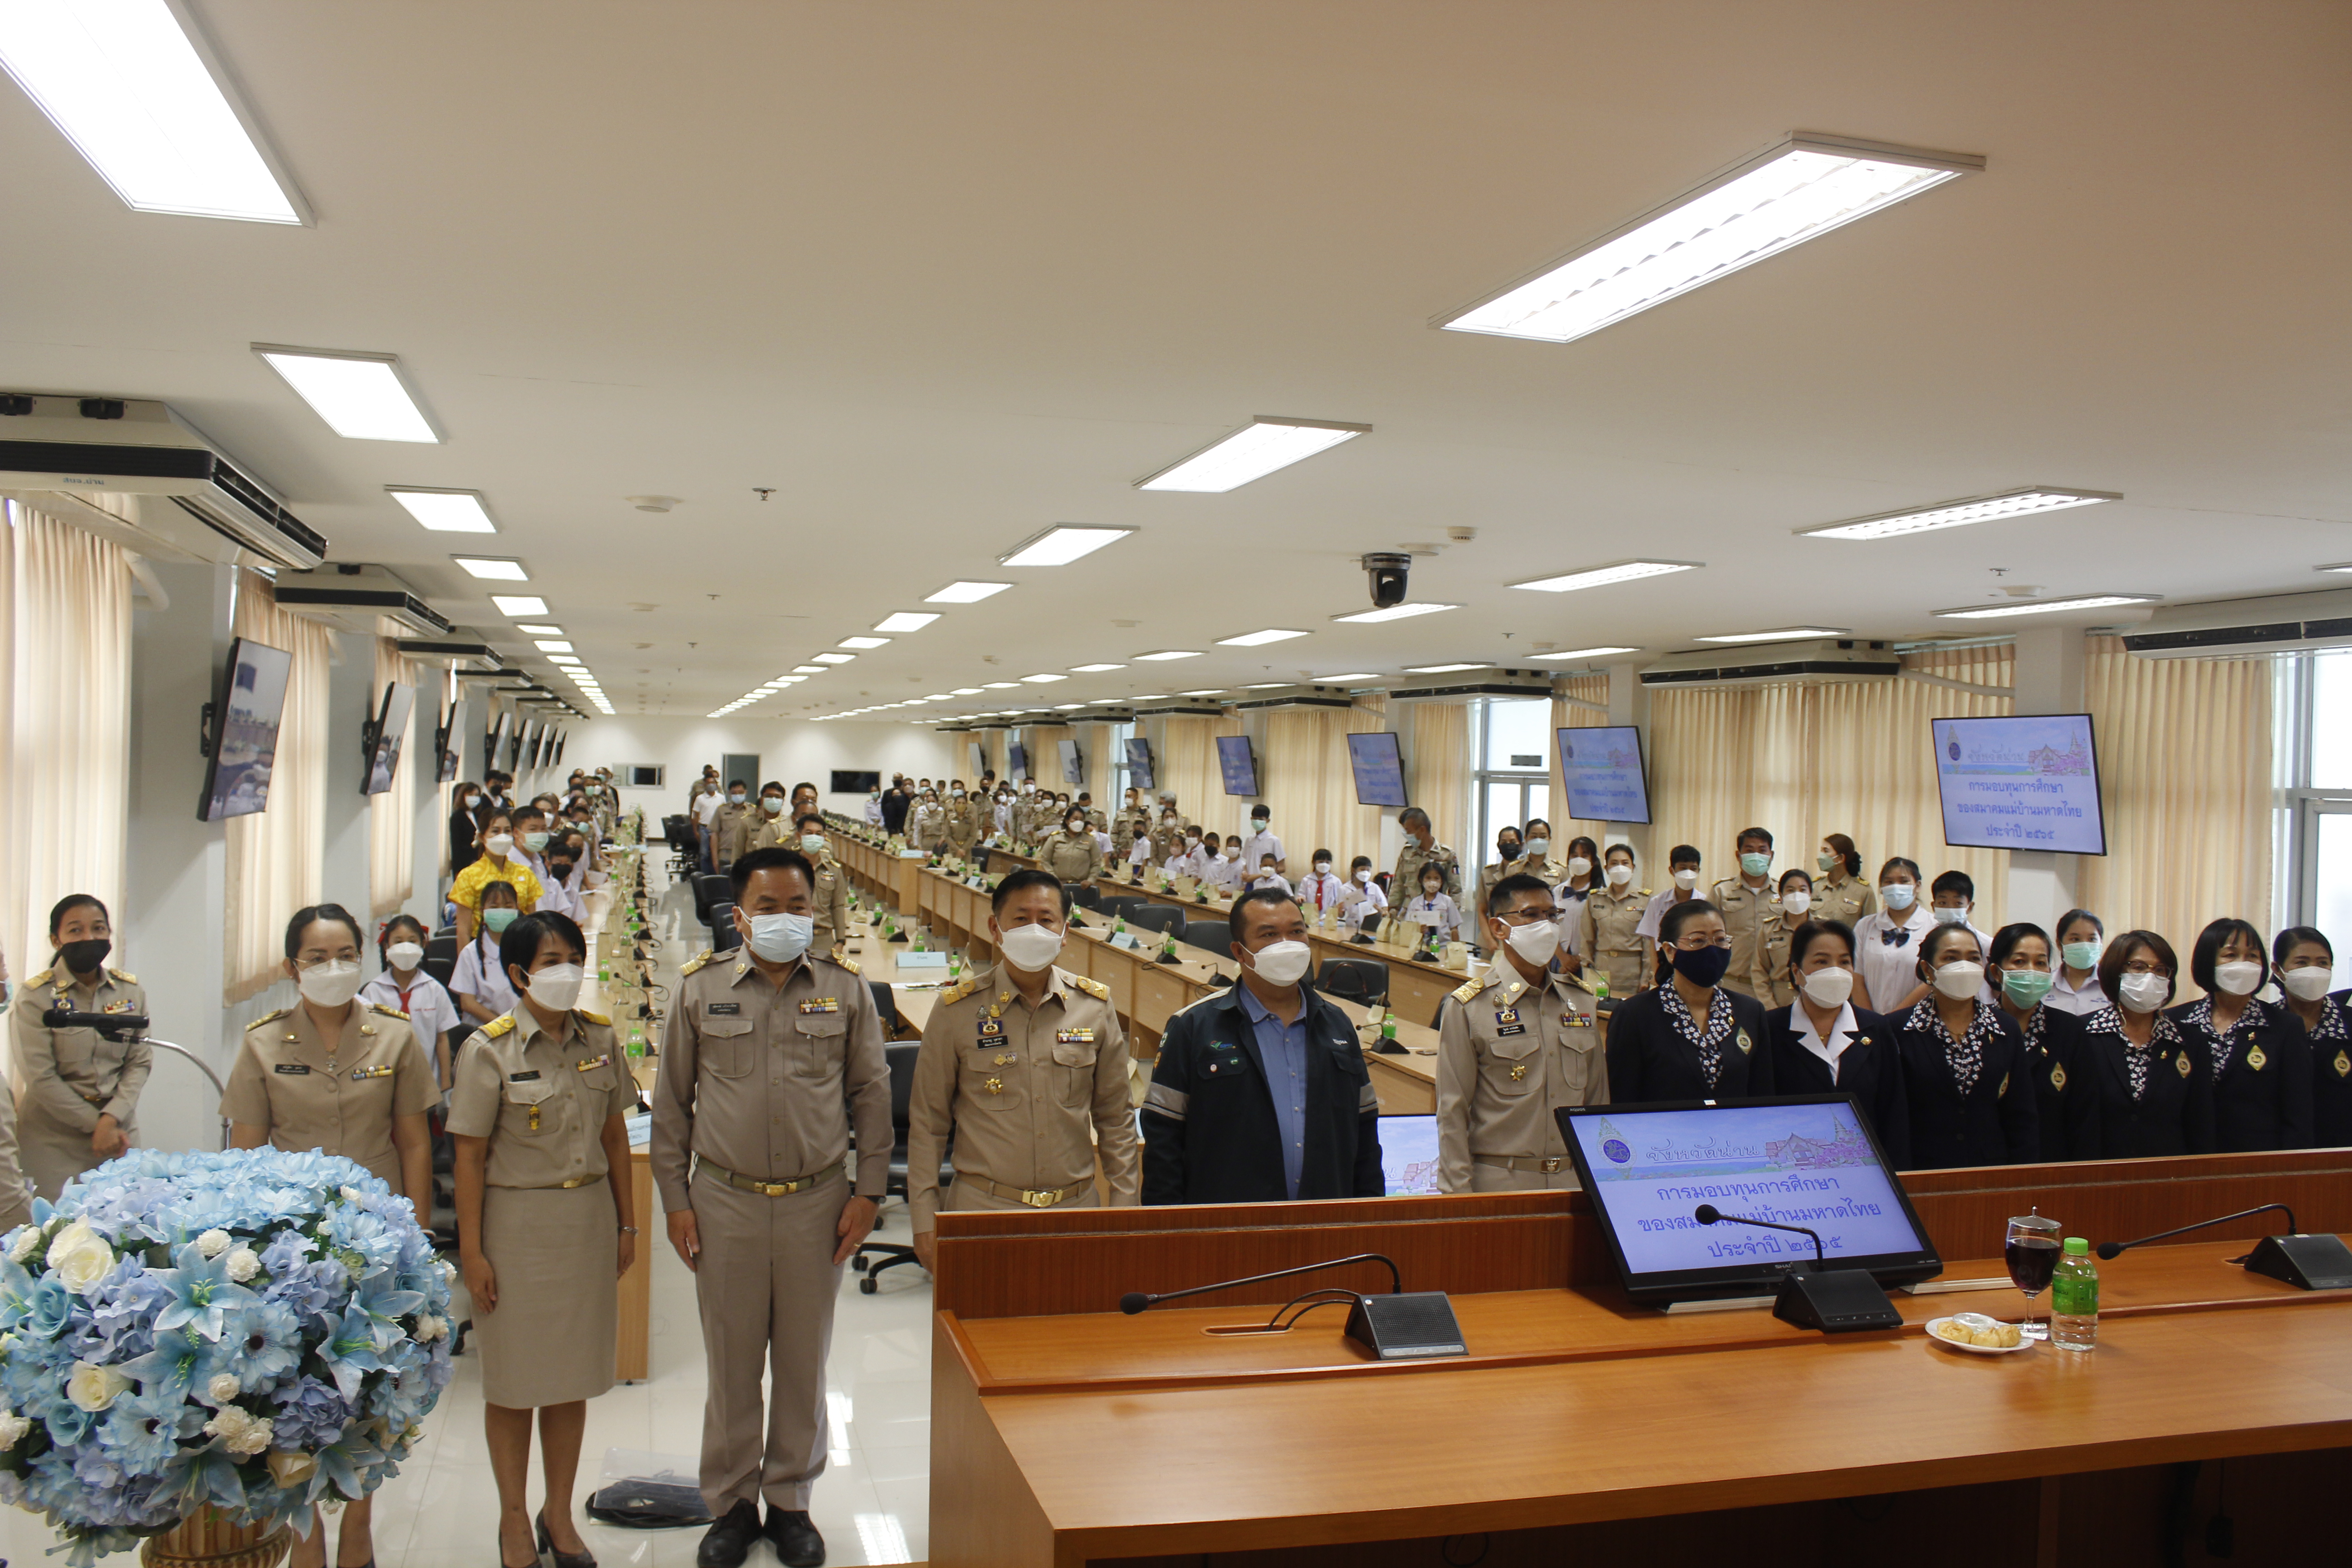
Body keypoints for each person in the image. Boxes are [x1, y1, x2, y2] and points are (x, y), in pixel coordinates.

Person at [651, 848, 890, 1568]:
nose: (786, 919)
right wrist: (676, 1201)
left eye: (798, 907)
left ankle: (789, 1501)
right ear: (740, 915)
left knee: (803, 1363)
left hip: (819, 1203)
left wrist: (869, 1192)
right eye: (769, 907)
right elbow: (672, 1103)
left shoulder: (846, 990)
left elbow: (871, 1094)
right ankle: (731, 1504)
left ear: (814, 911)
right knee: (731, 1364)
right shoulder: (700, 989)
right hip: (726, 1201)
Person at [225, 905, 436, 1568]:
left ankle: (360, 1530)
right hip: (295, 1249)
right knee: (294, 1393)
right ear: (293, 968)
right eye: (317, 958)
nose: (333, 967)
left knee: (374, 1389)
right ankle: (307, 1535)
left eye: (346, 954)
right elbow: (245, 1158)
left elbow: (414, 1143)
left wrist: (419, 1236)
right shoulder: (263, 1044)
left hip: (379, 1242)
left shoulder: (394, 1036)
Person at [449, 909, 637, 1568]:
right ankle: (512, 1520)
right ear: (518, 973)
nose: (566, 972)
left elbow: (616, 1136)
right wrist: (472, 1254)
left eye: (573, 960)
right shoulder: (489, 1050)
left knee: (569, 1381)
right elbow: (468, 1158)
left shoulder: (600, 1039)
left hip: (585, 1223)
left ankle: (558, 1514)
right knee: (512, 1386)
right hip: (516, 1231)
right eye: (551, 962)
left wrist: (627, 1223)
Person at [907, 870, 1137, 1269]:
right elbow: (929, 1123)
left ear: (1065, 932)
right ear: (995, 928)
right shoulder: (956, 1011)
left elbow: (1116, 1119)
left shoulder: (1095, 1007)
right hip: (983, 1212)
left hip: (1076, 1213)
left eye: (1046, 919)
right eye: (1020, 918)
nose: (1035, 929)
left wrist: (1125, 1206)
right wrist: (924, 1220)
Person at [1142, 888, 1383, 1204]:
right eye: (1269, 935)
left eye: (1296, 932)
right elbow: (1163, 1141)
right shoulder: (1193, 1026)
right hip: (1228, 1223)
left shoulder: (1337, 1025)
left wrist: (1371, 1215)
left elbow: (1365, 1134)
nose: (1287, 944)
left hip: (1324, 1221)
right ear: (1240, 952)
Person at [1435, 874, 1608, 1191]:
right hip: (1500, 1181)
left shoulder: (1581, 1001)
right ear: (1499, 928)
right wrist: (1457, 1196)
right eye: (1531, 915)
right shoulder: (1470, 1007)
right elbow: (1452, 1113)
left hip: (1574, 1182)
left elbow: (1597, 1104)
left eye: (1551, 915)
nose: (1546, 925)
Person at [10, 895, 149, 1200]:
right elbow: (41, 1077)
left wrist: (111, 1120)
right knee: (53, 1227)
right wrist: (97, 1125)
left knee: (129, 1223)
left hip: (119, 1133)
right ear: (56, 940)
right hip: (54, 1139)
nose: (89, 938)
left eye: (98, 928)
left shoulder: (129, 990)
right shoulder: (36, 997)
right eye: (76, 930)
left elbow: (139, 1062)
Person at [1889, 924, 2038, 1169]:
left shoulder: (2005, 1027)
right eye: (1951, 958)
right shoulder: (1897, 1029)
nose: (1964, 966)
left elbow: (2021, 1113)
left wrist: (2022, 1175)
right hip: (1922, 1168)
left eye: (1973, 958)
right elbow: (1891, 1114)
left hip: (1991, 1169)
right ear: (1928, 969)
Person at [1763, 919, 1907, 1165]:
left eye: (1844, 962)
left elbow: (1893, 1112)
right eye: (1822, 962)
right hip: (1797, 1168)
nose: (1836, 971)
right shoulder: (1770, 1029)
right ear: (1797, 972)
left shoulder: (1876, 1029)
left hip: (1866, 1168)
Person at [1605, 900, 1770, 1101]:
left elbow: (1762, 1095)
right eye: (1698, 941)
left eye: (1720, 939)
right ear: (1670, 951)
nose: (1712, 949)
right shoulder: (1634, 1015)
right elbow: (1622, 1098)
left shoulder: (1750, 1011)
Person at [2169, 919, 2310, 1152]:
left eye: (2252, 956)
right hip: (2189, 1157)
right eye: (2231, 955)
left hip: (2259, 1160)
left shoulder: (2285, 1027)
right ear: (2208, 960)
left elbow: (2298, 1113)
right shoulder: (2176, 1022)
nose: (2243, 964)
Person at [2076, 931, 2215, 1158]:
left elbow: (2201, 1122)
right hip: (2098, 1169)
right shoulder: (2083, 1033)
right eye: (2138, 967)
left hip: (2168, 1170)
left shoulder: (2190, 1041)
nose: (2150, 977)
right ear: (2115, 971)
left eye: (2160, 970)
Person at [1985, 922, 2099, 1161]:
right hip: (1991, 1166)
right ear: (1997, 972)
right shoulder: (1980, 1027)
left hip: (2053, 1166)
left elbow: (2084, 1116)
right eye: (2019, 962)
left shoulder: (2070, 1030)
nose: (2031, 971)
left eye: (2040, 963)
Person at [363, 913, 463, 1093]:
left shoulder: (434, 989)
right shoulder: (373, 991)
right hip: (385, 1083)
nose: (406, 948)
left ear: (423, 945)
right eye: (398, 942)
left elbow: (442, 1039)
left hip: (428, 1082)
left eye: (412, 941)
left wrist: (446, 1083)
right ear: (386, 946)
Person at [2271, 927, 2350, 1147]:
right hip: (2278, 1151)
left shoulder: (2348, 1023)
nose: (2313, 971)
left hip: (2341, 1153)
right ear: (2278, 970)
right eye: (2302, 963)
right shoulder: (2265, 1025)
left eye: (2322, 963)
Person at [1851, 857, 1935, 1015]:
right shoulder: (1865, 926)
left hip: (1916, 1019)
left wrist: (1895, 1018)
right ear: (1882, 888)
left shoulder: (1934, 927)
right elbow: (1857, 976)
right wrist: (1870, 1019)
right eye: (1889, 882)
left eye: (1904, 881)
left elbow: (1931, 980)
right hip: (1871, 1020)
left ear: (1918, 886)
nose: (1896, 887)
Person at [451, 809, 545, 944]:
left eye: (507, 831)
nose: (503, 836)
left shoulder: (525, 873)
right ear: (482, 837)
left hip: (517, 945)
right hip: (480, 945)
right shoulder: (468, 876)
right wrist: (466, 957)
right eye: (496, 831)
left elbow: (531, 922)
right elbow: (463, 930)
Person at [1708, 827, 1781, 1001]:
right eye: (1749, 850)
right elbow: (1708, 937)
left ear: (1771, 855)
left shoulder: (1784, 892)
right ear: (1738, 855)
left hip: (1774, 988)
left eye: (1762, 850)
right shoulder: (1721, 891)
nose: (1756, 856)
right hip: (1733, 984)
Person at [1579, 843, 1652, 999]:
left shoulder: (1645, 899)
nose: (1620, 868)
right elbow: (1587, 939)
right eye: (1614, 863)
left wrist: (1646, 976)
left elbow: (1648, 944)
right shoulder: (1595, 898)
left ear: (1633, 868)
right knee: (1600, 1010)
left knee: (1628, 1011)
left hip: (1631, 972)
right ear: (1607, 868)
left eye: (1625, 863)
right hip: (1601, 969)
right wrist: (1586, 970)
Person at [452, 881, 525, 1026]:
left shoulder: (528, 947)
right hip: (484, 1030)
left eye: (508, 907)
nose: (501, 911)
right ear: (482, 911)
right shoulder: (470, 953)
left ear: (517, 909)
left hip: (524, 1028)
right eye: (494, 907)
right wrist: (504, 1026)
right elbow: (468, 1003)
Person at [1387, 807, 1460, 940]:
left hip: (1436, 915)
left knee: (1435, 948)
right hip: (1410, 914)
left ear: (1422, 830)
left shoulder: (1446, 855)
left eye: (1408, 831)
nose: (1406, 835)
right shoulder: (1407, 853)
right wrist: (1392, 909)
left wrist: (1451, 917)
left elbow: (1456, 890)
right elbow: (1398, 883)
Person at [1754, 868, 1813, 1008]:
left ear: (1811, 894)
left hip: (1813, 998)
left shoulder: (1822, 929)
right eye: (1790, 890)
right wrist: (1769, 1007)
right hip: (1778, 999)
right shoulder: (1769, 929)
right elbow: (1759, 971)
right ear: (1781, 896)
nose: (1797, 895)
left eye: (1803, 890)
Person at [1633, 844, 1704, 943]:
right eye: (1683, 868)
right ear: (1672, 871)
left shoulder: (1705, 902)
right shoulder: (1657, 902)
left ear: (1699, 871)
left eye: (1693, 869)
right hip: (1663, 952)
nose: (1688, 873)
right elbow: (1652, 940)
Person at [2048, 908, 2110, 1016]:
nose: (2085, 946)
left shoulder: (2111, 985)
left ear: (2101, 943)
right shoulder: (2046, 985)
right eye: (2075, 939)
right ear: (2059, 944)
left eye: (2092, 939)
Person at [1551, 836, 1601, 964]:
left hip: (1588, 960)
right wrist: (1563, 957)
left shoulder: (1600, 894)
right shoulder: (1558, 891)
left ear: (1593, 861)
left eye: (1585, 856)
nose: (1579, 860)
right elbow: (1550, 926)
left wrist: (1579, 959)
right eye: (1575, 856)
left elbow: (1601, 933)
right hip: (1558, 958)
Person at [1811, 833, 1876, 926]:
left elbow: (1870, 927)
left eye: (1826, 851)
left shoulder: (1864, 891)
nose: (1820, 856)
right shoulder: (1814, 886)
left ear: (1841, 858)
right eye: (1821, 851)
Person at [1039, 804, 1103, 883]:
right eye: (1075, 819)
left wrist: (1090, 881)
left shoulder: (1090, 839)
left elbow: (1096, 863)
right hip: (1058, 883)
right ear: (1067, 821)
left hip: (1081, 885)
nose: (1078, 822)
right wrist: (1054, 879)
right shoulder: (1055, 838)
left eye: (1081, 820)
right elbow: (1045, 860)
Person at [1401, 863, 1460, 948]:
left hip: (1443, 947)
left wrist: (1456, 949)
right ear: (1421, 880)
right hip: (1420, 947)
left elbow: (1454, 928)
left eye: (1437, 878)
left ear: (1442, 881)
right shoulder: (1415, 903)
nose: (1432, 882)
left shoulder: (1447, 902)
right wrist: (1418, 930)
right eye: (1428, 878)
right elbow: (1408, 928)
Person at [1475, 824, 1524, 915]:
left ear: (1521, 845)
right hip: (1494, 921)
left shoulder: (1527, 871)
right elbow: (1482, 909)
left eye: (1513, 842)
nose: (1508, 845)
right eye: (1504, 842)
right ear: (1499, 846)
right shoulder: (1488, 873)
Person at [1295, 852, 1348, 924]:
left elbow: (1340, 902)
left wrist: (1340, 910)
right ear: (1314, 863)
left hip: (1329, 919)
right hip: (1310, 918)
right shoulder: (1307, 880)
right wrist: (1301, 898)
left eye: (1328, 862)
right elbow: (1302, 896)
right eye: (1321, 862)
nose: (1324, 865)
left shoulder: (1335, 881)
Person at [1341, 856, 1388, 933]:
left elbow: (1385, 908)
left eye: (1368, 870)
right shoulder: (1344, 889)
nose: (1366, 873)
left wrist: (1381, 911)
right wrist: (1339, 910)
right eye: (1362, 870)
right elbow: (1340, 914)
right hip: (1352, 927)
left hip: (1372, 927)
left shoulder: (1374, 887)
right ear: (1354, 871)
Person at [451, 780, 486, 871]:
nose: (474, 798)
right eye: (470, 795)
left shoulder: (478, 815)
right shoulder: (458, 817)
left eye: (476, 795)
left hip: (479, 859)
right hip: (465, 861)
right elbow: (456, 845)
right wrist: (457, 870)